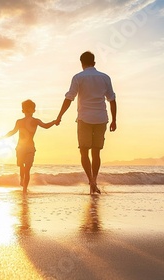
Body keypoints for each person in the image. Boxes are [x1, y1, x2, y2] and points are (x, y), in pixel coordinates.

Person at [55, 51, 117, 194]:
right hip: (101, 118)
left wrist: (59, 116)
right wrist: (114, 120)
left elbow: (69, 98)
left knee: (84, 152)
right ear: (94, 63)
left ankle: (91, 181)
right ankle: (94, 179)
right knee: (96, 153)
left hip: (84, 118)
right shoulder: (105, 77)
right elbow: (112, 100)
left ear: (81, 63)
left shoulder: (78, 77)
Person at [4, 100, 56, 193]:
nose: (28, 111)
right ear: (23, 110)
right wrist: (3, 137)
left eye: (31, 108)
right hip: (20, 147)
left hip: (30, 148)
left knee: (27, 168)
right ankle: (22, 178)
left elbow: (45, 126)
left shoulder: (36, 121)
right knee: (21, 166)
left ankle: (24, 189)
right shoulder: (19, 121)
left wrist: (54, 122)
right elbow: (13, 131)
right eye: (26, 109)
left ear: (34, 110)